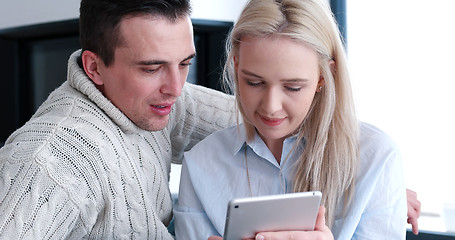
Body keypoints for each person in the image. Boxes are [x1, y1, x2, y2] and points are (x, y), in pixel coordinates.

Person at [0, 0, 237, 239]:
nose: (176, 88)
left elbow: (263, 119)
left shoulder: (156, 101)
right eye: (152, 69)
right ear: (94, 68)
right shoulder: (49, 161)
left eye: (185, 63)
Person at [174, 0, 408, 239]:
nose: (271, 107)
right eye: (254, 82)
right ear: (236, 65)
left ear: (323, 78)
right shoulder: (201, 164)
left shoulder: (376, 158)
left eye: (293, 87)